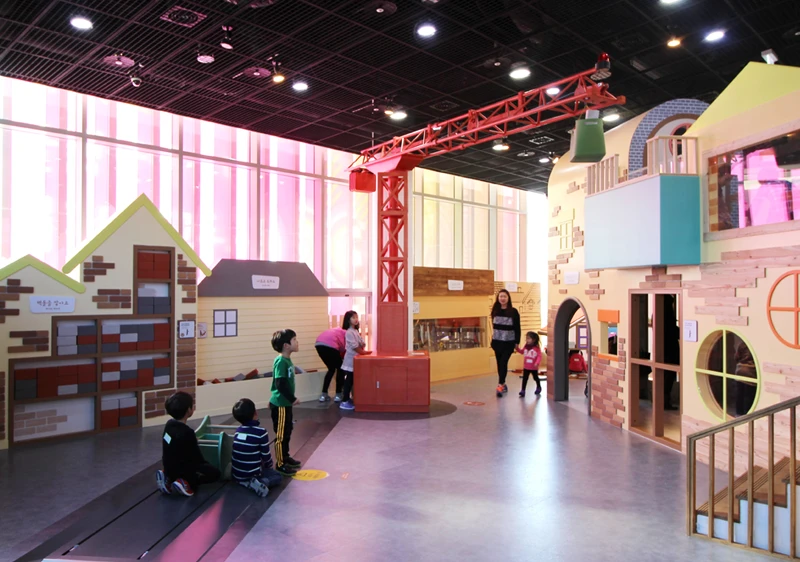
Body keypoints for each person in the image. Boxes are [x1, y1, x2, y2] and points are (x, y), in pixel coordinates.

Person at [156, 391, 221, 497]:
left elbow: (170, 442)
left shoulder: (169, 425)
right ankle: (186, 482)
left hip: (169, 467)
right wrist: (207, 466)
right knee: (215, 474)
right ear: (188, 410)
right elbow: (197, 459)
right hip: (184, 471)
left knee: (176, 464)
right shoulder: (188, 432)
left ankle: (167, 477)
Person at [231, 398, 284, 497]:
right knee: (278, 476)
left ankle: (244, 482)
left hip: (237, 474)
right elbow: (266, 455)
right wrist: (269, 466)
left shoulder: (238, 431)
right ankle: (261, 482)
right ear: (255, 412)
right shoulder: (261, 432)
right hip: (253, 473)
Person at [270, 329, 303, 476]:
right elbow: (280, 384)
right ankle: (280, 463)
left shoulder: (287, 360)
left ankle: (285, 456)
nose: (297, 342)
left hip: (285, 404)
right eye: (294, 340)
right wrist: (292, 398)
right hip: (281, 405)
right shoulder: (281, 361)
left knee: (287, 431)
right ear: (286, 345)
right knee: (281, 435)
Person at [491, 289, 521, 398]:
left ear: (508, 298)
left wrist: (517, 342)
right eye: (501, 296)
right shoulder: (495, 310)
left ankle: (500, 385)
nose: (502, 298)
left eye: (504, 296)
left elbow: (517, 328)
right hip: (497, 342)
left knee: (503, 362)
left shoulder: (513, 312)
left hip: (508, 342)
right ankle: (503, 384)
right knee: (499, 364)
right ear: (498, 298)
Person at [339, 310, 371, 411]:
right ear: (348, 320)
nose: (356, 319)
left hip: (355, 360)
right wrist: (364, 352)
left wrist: (362, 345)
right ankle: (344, 401)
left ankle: (348, 399)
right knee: (349, 381)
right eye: (353, 317)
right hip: (350, 360)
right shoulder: (349, 332)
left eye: (356, 317)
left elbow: (361, 343)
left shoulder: (355, 331)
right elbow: (355, 347)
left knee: (351, 380)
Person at [315, 326, 347, 403]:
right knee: (341, 369)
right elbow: (343, 348)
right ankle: (338, 394)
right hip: (331, 345)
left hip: (318, 344)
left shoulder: (336, 330)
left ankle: (323, 395)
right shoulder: (346, 333)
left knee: (331, 369)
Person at [516, 331, 542, 397]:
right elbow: (522, 351)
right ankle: (523, 390)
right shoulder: (526, 346)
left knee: (535, 378)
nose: (527, 340)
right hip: (526, 367)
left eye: (528, 338)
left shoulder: (536, 348)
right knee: (525, 379)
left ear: (534, 340)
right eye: (526, 338)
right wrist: (517, 348)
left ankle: (539, 387)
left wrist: (537, 363)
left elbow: (539, 356)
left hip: (533, 367)